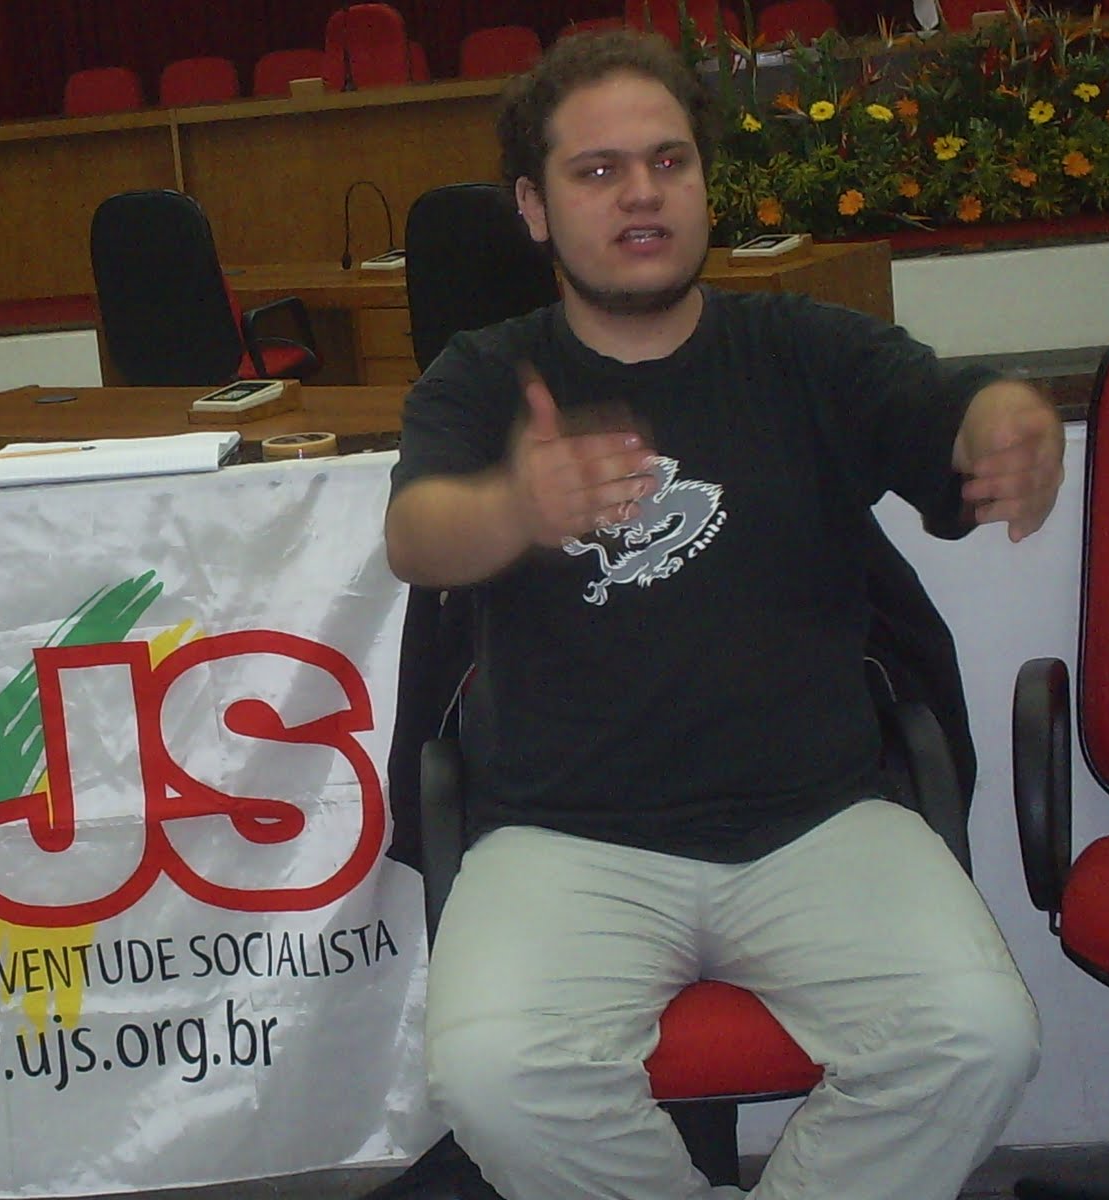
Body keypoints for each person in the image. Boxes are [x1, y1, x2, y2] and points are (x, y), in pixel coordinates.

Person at [384, 30, 1064, 1200]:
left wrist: (1000, 416)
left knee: (976, 1038)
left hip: (818, 820)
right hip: (562, 835)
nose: (641, 192)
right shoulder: (484, 374)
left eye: (668, 161)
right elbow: (416, 534)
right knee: (496, 1078)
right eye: (597, 171)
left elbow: (936, 400)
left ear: (703, 183)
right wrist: (514, 505)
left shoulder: (800, 348)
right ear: (533, 208)